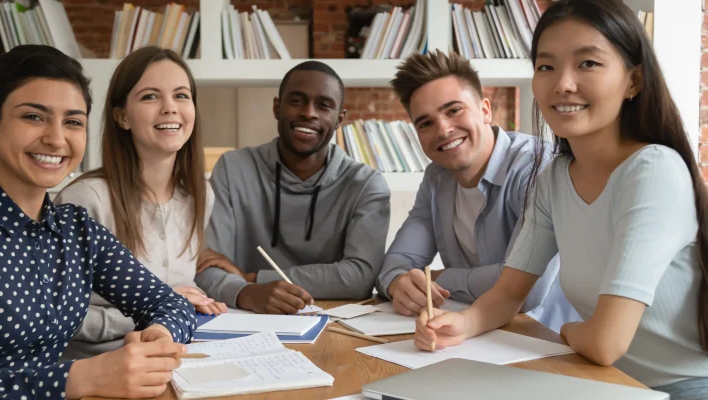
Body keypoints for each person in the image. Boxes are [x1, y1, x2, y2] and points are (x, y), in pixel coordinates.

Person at [414, 1, 708, 398]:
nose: (562, 84)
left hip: (691, 387)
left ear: (633, 80)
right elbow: (507, 294)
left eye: (587, 63)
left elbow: (605, 342)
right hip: (609, 382)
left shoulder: (653, 170)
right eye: (546, 67)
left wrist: (567, 330)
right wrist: (461, 324)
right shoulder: (554, 177)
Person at [0, 45, 196, 400]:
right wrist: (79, 378)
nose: (57, 139)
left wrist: (161, 334)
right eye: (34, 117)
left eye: (73, 122)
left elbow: (171, 303)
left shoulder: (76, 228)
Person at [379, 50, 579, 332]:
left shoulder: (536, 167)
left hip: (547, 339)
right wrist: (397, 283)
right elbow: (397, 262)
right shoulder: (436, 177)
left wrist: (436, 278)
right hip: (473, 335)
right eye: (425, 123)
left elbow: (526, 292)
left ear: (485, 110)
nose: (443, 129)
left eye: (454, 110)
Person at [54, 46, 226, 360]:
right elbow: (54, 318)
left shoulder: (201, 193)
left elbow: (185, 285)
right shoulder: (84, 201)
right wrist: (164, 308)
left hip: (175, 357)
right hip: (96, 368)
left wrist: (191, 302)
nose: (170, 108)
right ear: (122, 117)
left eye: (181, 95)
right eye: (150, 96)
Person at [195, 61, 391, 314]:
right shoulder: (233, 168)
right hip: (247, 316)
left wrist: (253, 278)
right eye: (297, 101)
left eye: (324, 105)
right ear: (277, 107)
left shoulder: (365, 184)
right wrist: (246, 292)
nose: (308, 113)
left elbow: (360, 277)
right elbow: (206, 266)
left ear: (339, 119)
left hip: (336, 319)